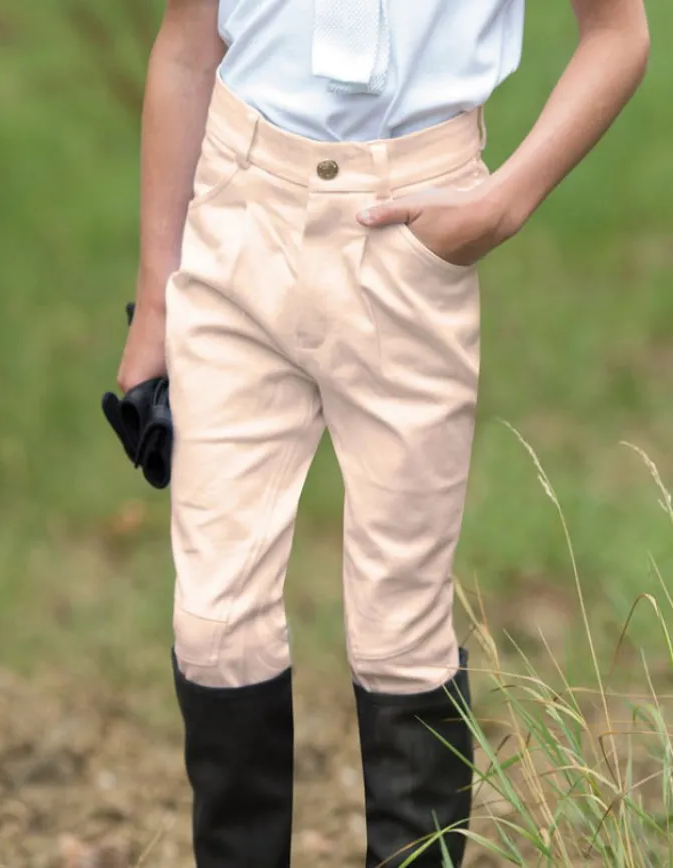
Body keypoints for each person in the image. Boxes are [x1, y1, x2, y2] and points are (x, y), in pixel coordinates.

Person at [116, 1, 650, 865]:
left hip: (413, 230)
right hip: (235, 221)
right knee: (216, 622)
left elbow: (619, 32)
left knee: (400, 623)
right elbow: (185, 48)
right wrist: (157, 296)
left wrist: (501, 204)